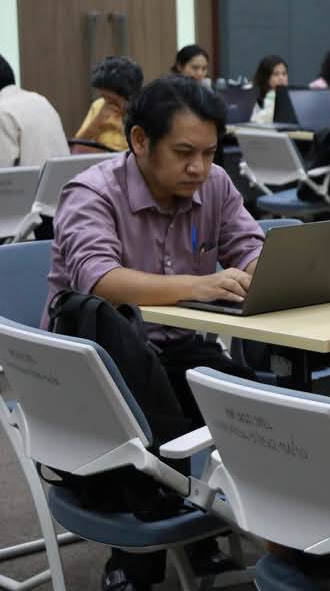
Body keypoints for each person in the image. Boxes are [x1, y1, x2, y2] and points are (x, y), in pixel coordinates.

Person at [44, 75, 263, 591]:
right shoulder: (93, 193)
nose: (199, 167)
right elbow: (100, 280)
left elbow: (250, 247)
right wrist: (200, 284)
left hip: (177, 348)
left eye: (209, 153)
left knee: (259, 406)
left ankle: (212, 525)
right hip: (97, 365)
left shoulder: (214, 185)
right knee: (166, 406)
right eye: (184, 152)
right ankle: (138, 553)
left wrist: (262, 271)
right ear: (140, 140)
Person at [0, 53, 69, 167]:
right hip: (64, 177)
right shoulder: (40, 100)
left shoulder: (2, 110)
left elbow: (3, 170)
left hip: (30, 179)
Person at [74, 56, 143, 152]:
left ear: (130, 95)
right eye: (104, 97)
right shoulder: (98, 106)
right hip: (101, 157)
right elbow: (77, 144)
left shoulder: (144, 109)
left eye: (112, 100)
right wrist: (97, 122)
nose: (107, 103)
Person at [251, 54, 288, 121]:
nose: (281, 78)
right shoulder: (252, 95)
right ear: (265, 77)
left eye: (284, 74)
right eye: (276, 74)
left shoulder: (291, 98)